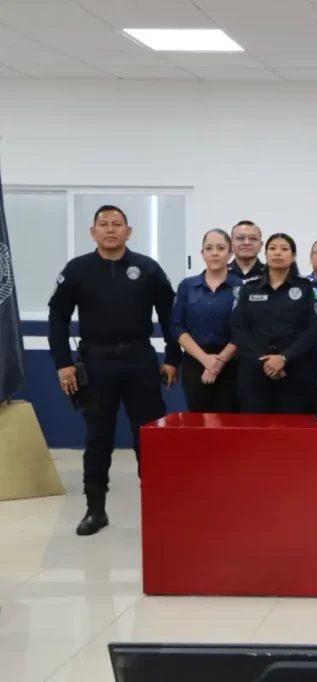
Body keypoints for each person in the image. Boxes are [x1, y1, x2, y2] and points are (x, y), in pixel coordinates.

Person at [48, 205, 181, 536]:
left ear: (128, 231)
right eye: (103, 224)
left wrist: (173, 358)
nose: (110, 230)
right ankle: (95, 510)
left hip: (140, 361)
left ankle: (159, 509)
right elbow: (57, 320)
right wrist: (63, 363)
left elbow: (171, 318)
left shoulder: (148, 268)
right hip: (96, 364)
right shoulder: (77, 270)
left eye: (117, 224)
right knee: (98, 438)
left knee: (148, 437)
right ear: (92, 232)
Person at [231, 233, 317, 414]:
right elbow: (238, 328)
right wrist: (265, 362)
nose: (278, 253)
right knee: (253, 425)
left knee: (293, 426)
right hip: (255, 370)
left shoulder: (307, 287)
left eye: (284, 249)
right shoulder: (249, 288)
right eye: (272, 248)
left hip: (296, 369)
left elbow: (315, 328)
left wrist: (284, 358)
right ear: (265, 254)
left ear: (293, 256)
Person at [170, 229, 243, 414]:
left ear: (230, 253)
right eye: (209, 248)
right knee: (198, 418)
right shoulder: (187, 286)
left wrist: (219, 362)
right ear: (202, 254)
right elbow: (177, 326)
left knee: (228, 419)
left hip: (231, 362)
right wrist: (205, 360)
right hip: (195, 359)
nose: (215, 253)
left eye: (221, 248)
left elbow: (245, 329)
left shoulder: (241, 288)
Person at [228, 220, 266, 284]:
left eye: (253, 238)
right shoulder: (220, 273)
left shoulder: (271, 274)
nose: (247, 243)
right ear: (230, 244)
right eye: (240, 238)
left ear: (261, 245)